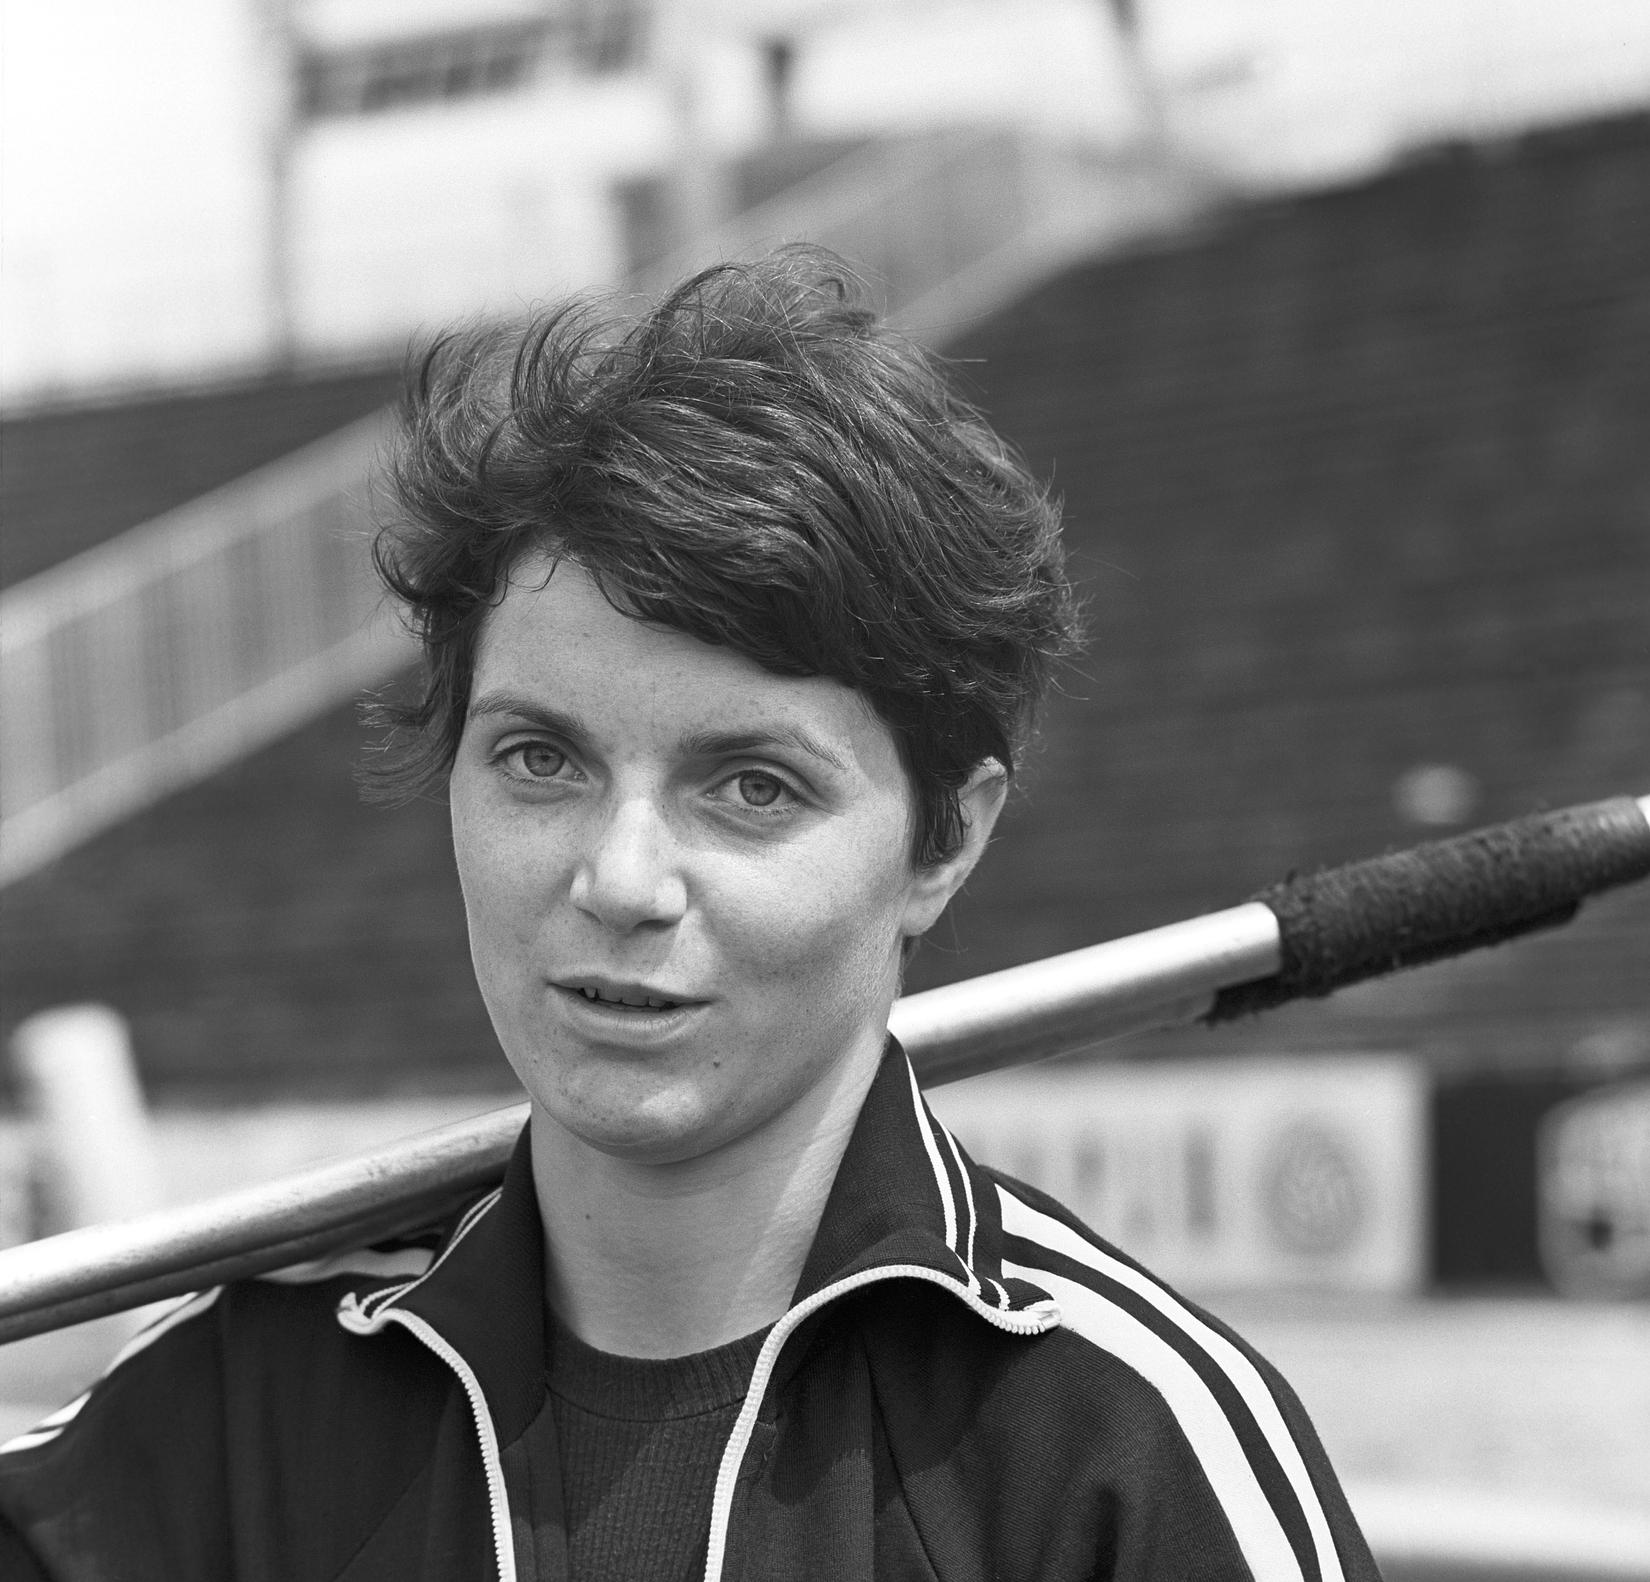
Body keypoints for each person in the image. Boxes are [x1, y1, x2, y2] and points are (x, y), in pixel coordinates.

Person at [0, 248, 1379, 1580]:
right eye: (541, 758)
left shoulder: (1120, 1455)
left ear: (945, 839)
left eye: (751, 787)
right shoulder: (230, 1420)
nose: (620, 879)